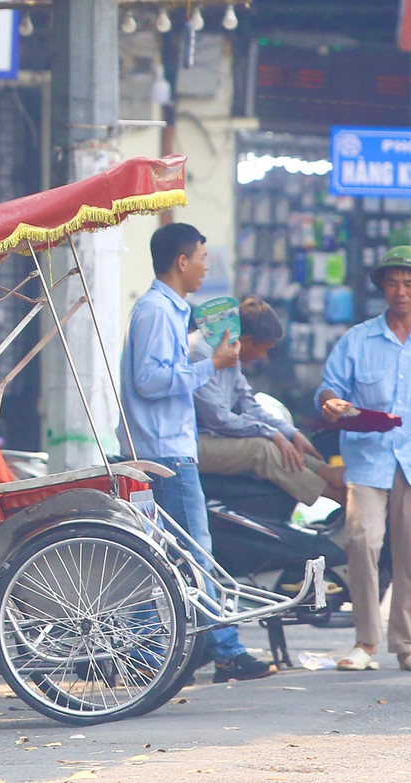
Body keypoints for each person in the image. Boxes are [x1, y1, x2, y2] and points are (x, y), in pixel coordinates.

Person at [119, 222, 277, 683]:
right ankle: (222, 650)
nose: (208, 267)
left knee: (164, 554)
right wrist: (212, 366)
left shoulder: (171, 310)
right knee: (193, 554)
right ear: (182, 261)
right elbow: (150, 381)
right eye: (203, 257)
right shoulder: (155, 310)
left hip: (165, 447)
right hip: (164, 452)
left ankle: (150, 653)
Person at [316, 246, 411, 673]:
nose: (401, 291)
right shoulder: (358, 339)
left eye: (410, 283)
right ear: (384, 288)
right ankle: (365, 641)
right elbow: (328, 388)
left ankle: (408, 644)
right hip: (367, 459)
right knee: (362, 540)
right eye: (394, 283)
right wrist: (331, 403)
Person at [192, 296, 346, 507]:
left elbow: (249, 405)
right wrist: (272, 434)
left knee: (281, 439)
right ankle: (334, 495)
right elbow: (219, 418)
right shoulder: (204, 354)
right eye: (263, 348)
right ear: (246, 340)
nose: (263, 356)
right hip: (191, 443)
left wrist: (291, 433)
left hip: (214, 435)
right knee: (262, 448)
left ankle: (325, 471)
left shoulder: (231, 353)